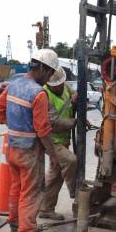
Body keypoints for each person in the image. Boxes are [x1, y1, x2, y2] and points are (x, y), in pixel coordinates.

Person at [0, 49, 59, 232]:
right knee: (31, 193)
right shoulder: (39, 93)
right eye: (50, 74)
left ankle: (15, 225)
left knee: (17, 188)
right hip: (29, 153)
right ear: (43, 68)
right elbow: (43, 129)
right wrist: (53, 154)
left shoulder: (14, 84)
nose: (49, 79)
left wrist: (13, 124)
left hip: (12, 149)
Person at [38, 66, 77, 220]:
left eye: (61, 84)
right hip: (52, 141)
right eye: (56, 86)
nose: (60, 87)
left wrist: (75, 96)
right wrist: (74, 122)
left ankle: (46, 209)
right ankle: (76, 191)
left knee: (56, 176)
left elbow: (72, 92)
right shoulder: (44, 94)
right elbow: (54, 123)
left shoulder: (65, 86)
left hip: (63, 140)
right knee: (71, 161)